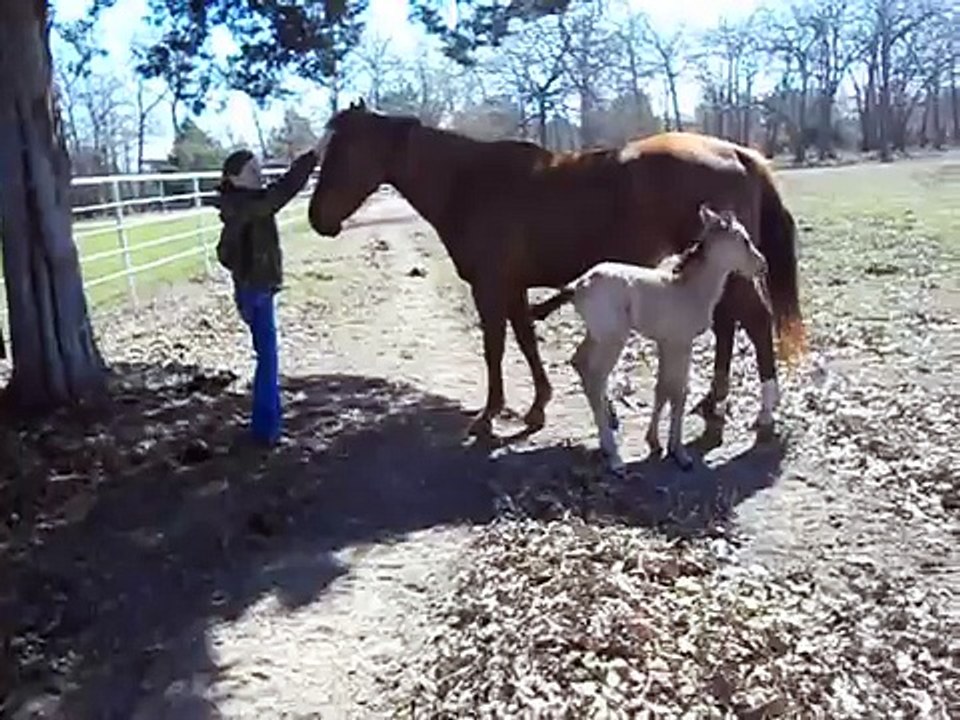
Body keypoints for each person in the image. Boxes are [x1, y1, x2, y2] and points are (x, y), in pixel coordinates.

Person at [214, 140, 324, 446]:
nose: (258, 172)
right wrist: (313, 155)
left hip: (256, 289)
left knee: (267, 358)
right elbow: (283, 191)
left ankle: (269, 423)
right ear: (235, 177)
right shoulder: (248, 206)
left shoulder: (244, 202)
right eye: (252, 169)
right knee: (268, 361)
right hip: (255, 291)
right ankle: (266, 430)